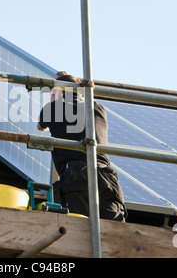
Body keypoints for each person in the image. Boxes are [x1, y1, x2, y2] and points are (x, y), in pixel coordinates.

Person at [37, 72, 127, 221]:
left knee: (77, 230)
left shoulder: (52, 108)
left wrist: (55, 100)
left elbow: (41, 127)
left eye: (52, 93)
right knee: (113, 231)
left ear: (59, 91)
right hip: (105, 176)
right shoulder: (98, 108)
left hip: (76, 177)